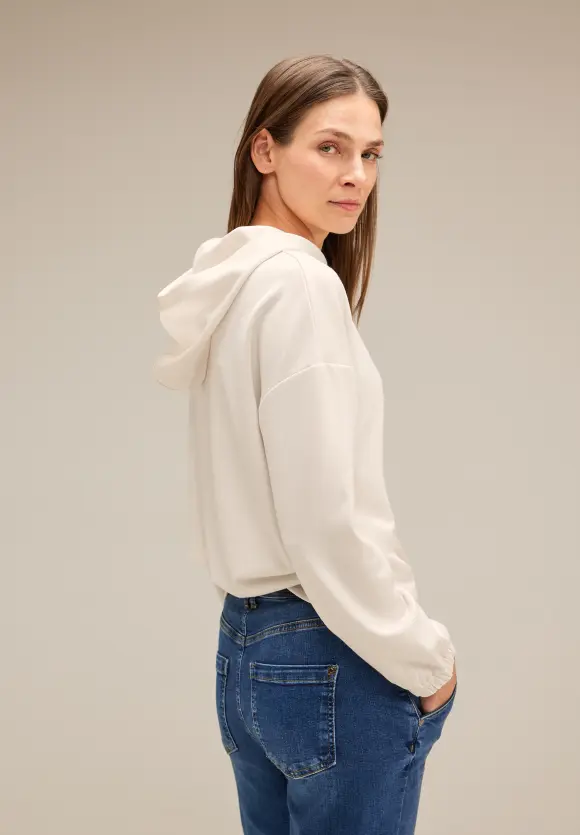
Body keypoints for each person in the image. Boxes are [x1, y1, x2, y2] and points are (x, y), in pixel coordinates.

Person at [154, 54, 458, 835]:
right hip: (331, 650)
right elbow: (324, 521)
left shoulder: (232, 286)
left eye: (371, 154)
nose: (356, 174)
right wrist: (427, 659)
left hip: (244, 650)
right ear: (265, 150)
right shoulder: (299, 284)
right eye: (329, 147)